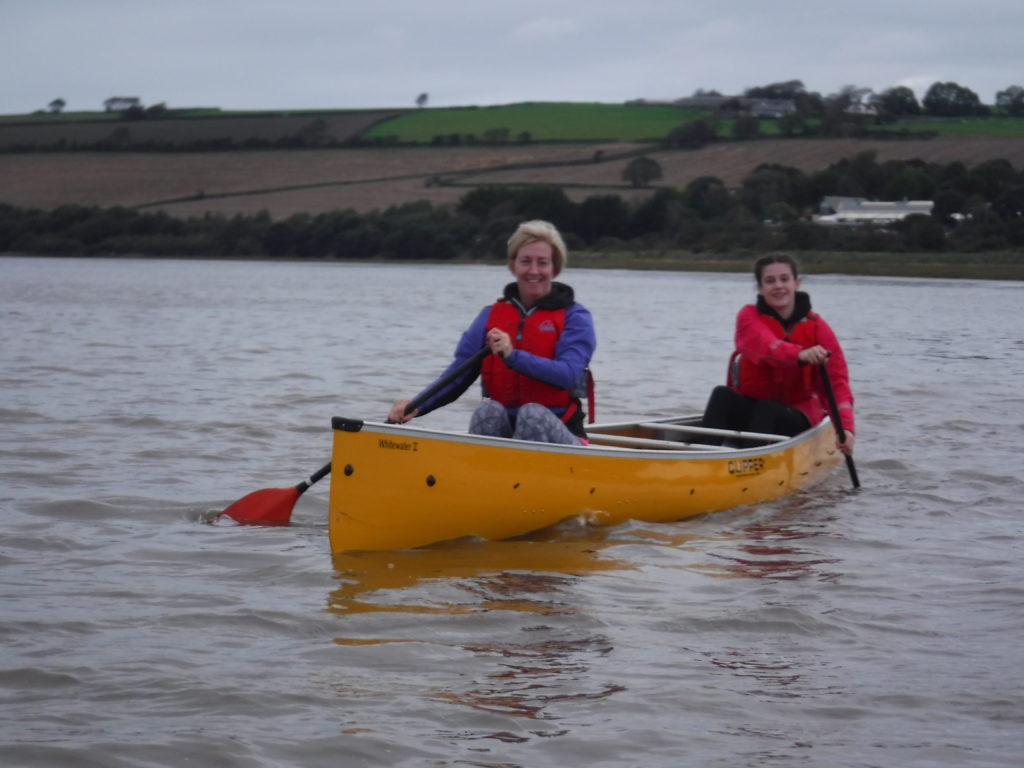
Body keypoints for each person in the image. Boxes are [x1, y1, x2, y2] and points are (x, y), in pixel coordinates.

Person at [388, 219, 596, 445]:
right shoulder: (490, 315)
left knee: (532, 414)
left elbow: (567, 375)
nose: (534, 271)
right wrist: (416, 406)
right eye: (525, 261)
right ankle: (484, 476)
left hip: (565, 435)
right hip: (507, 438)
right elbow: (457, 375)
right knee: (487, 412)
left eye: (542, 262)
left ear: (554, 267)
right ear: (513, 265)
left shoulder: (576, 317)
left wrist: (512, 355)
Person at [701, 253, 855, 455]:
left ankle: (750, 465)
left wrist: (845, 428)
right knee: (721, 394)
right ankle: (702, 457)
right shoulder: (748, 316)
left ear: (796, 283)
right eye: (770, 281)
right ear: (760, 287)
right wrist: (799, 355)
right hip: (753, 408)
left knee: (768, 409)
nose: (778, 286)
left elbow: (837, 382)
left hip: (794, 415)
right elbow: (765, 346)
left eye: (784, 279)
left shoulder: (818, 328)